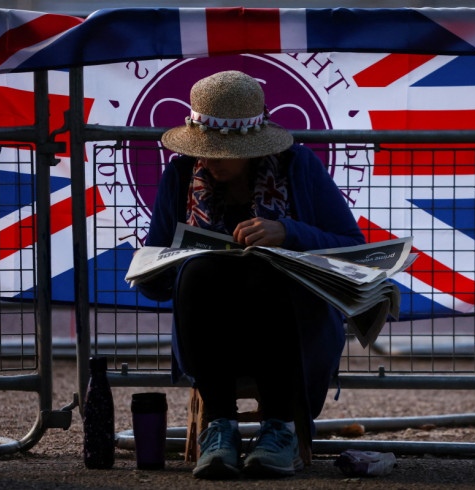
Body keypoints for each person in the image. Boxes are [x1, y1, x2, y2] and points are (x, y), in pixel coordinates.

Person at [137, 70, 365, 480]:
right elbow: (156, 283)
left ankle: (280, 427)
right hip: (212, 333)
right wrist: (164, 264)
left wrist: (289, 232)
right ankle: (220, 428)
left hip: (289, 331)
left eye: (223, 150)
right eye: (204, 148)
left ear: (253, 148)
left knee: (266, 269)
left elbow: (353, 246)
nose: (207, 158)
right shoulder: (180, 175)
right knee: (200, 270)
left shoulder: (297, 167)